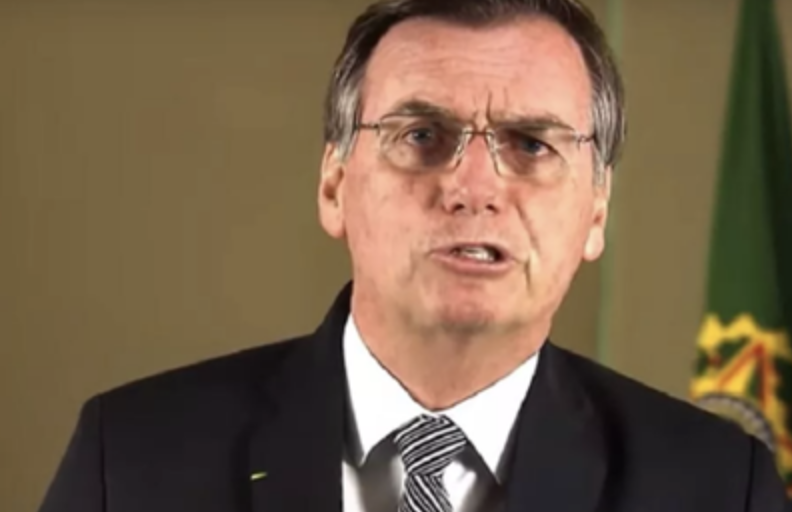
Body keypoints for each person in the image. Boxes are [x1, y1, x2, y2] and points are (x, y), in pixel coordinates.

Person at [39, 0, 788, 511]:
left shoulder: (721, 487)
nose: (473, 188)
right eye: (422, 136)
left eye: (531, 145)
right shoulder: (131, 460)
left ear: (597, 209)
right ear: (334, 184)